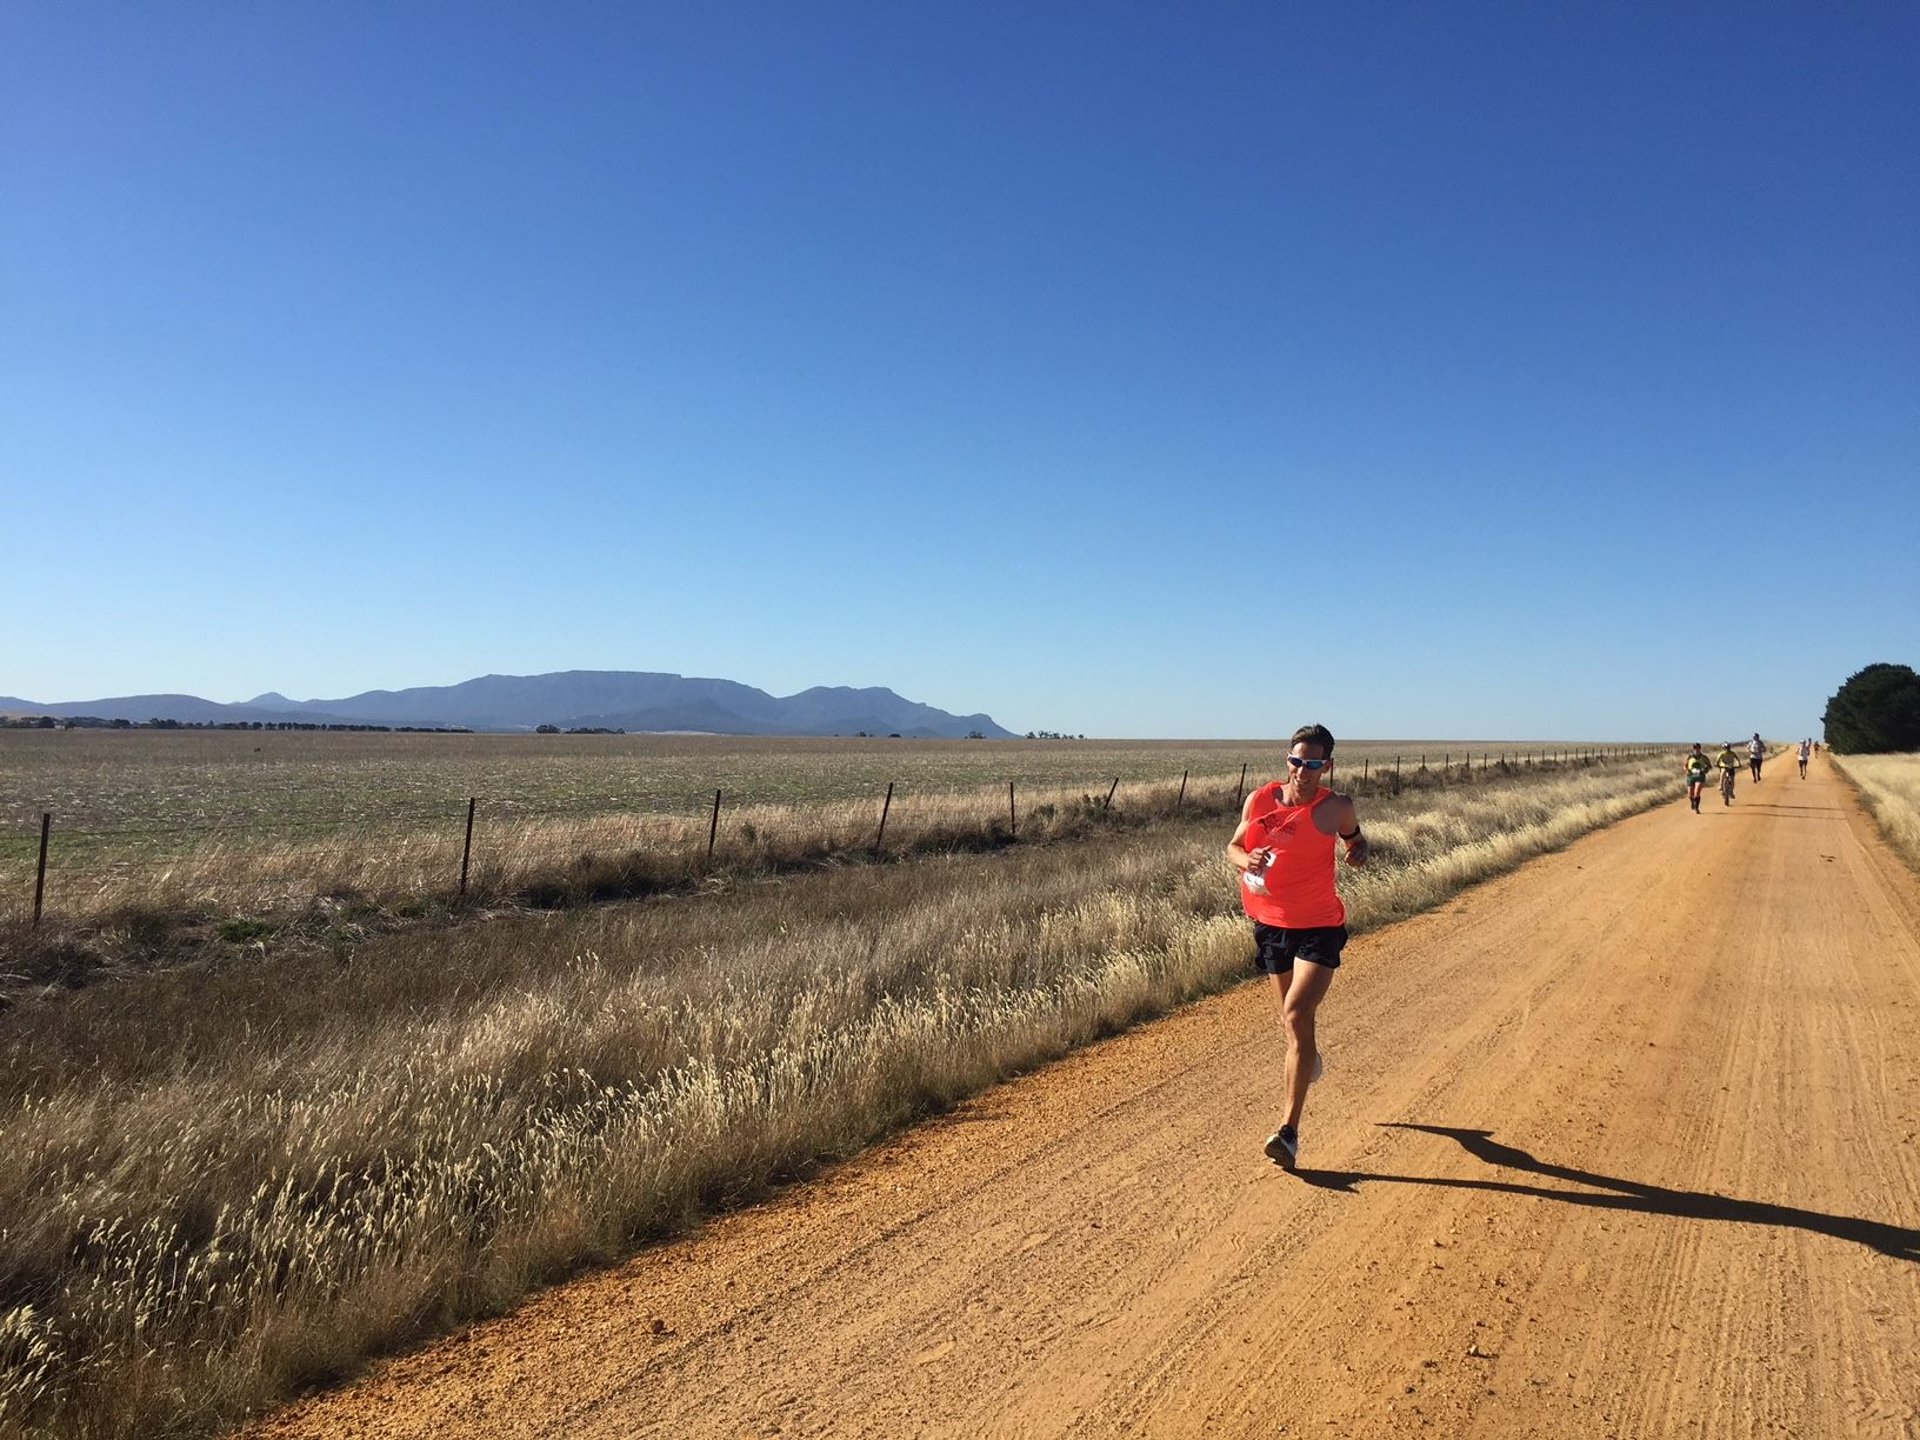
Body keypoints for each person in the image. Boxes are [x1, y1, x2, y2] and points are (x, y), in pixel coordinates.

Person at [1226, 723, 1369, 1172]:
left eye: (1311, 764)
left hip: (1319, 926)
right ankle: (1308, 1055)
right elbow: (1233, 845)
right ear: (1286, 759)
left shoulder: (1336, 808)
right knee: (1294, 1026)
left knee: (1295, 1013)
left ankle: (1288, 1133)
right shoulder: (1261, 800)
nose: (1301, 771)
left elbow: (1355, 838)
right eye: (1295, 760)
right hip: (1271, 924)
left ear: (1326, 766)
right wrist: (1244, 859)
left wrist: (1357, 851)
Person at [1685, 744, 1712, 812]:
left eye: (1697, 748)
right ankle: (1692, 801)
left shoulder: (1704, 757)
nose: (1696, 750)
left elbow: (1709, 766)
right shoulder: (1689, 757)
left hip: (1700, 775)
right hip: (1691, 775)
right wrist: (1687, 770)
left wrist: (1706, 769)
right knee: (1690, 794)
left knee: (1697, 792)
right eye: (1694, 748)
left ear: (1700, 748)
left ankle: (1697, 807)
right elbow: (1684, 766)